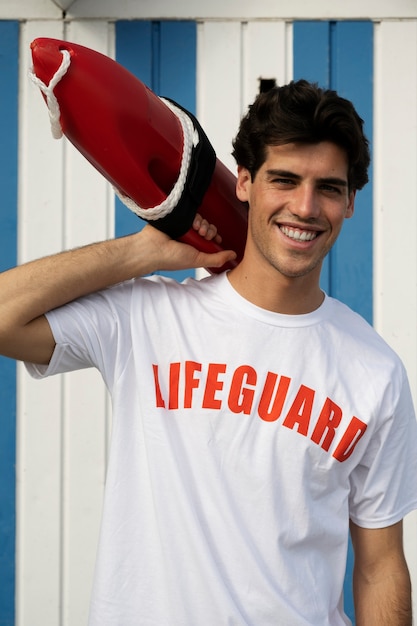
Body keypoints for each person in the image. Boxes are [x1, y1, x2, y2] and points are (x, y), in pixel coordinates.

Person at [1, 79, 416, 626]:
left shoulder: (375, 372)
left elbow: (380, 565)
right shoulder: (147, 318)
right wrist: (142, 250)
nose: (306, 207)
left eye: (329, 188)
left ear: (350, 202)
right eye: (284, 180)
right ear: (244, 182)